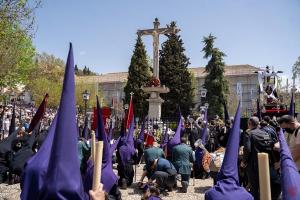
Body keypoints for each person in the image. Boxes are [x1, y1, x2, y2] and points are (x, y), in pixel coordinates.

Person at [242, 117, 280, 200]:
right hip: (267, 164)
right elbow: (271, 147)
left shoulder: (248, 134)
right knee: (266, 185)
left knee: (254, 188)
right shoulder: (265, 133)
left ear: (249, 124)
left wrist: (244, 161)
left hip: (254, 165)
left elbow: (247, 149)